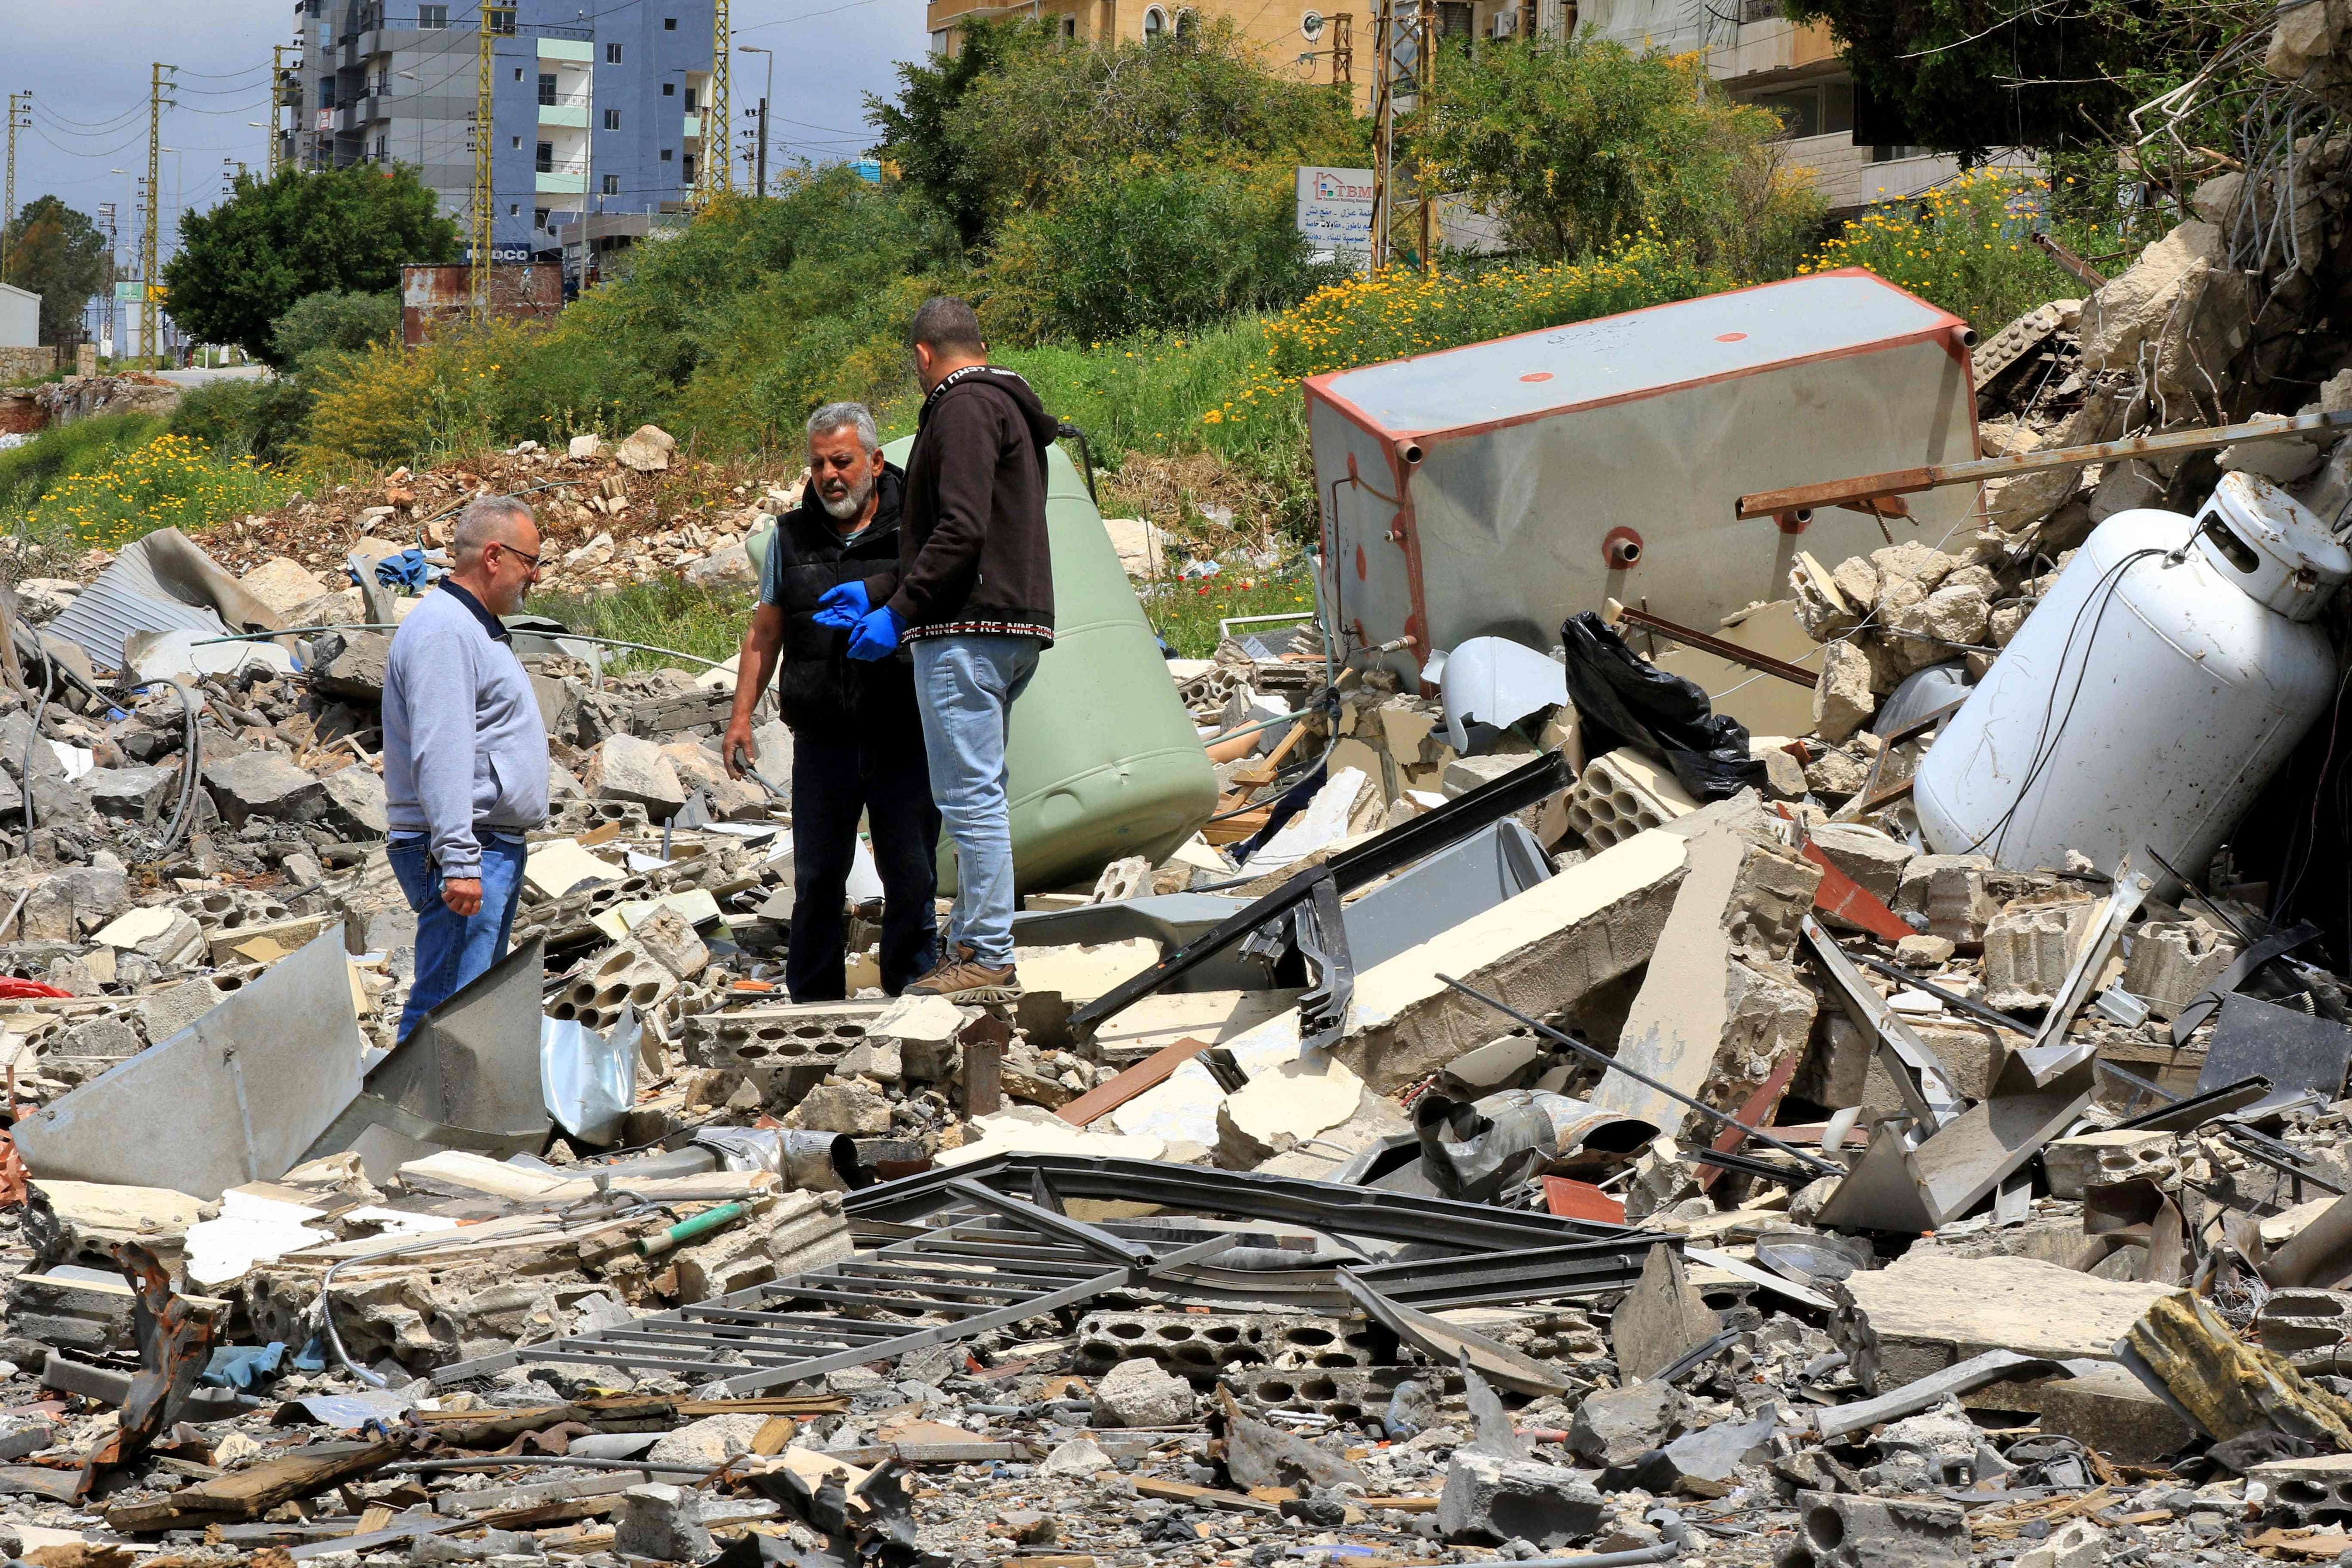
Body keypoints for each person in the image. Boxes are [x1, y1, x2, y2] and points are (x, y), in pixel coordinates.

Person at [816, 296, 1057, 1002]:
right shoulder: (1012, 405)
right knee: (984, 793)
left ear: (924, 355)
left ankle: (984, 951)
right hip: (1011, 625)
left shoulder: (961, 408)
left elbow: (958, 533)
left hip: (965, 633)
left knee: (970, 798)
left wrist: (900, 611)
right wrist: (877, 590)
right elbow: (970, 535)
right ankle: (980, 943)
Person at [723, 403, 940, 1000]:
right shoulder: (788, 539)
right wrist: (741, 718)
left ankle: (913, 992)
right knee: (817, 878)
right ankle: (811, 999)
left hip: (903, 730)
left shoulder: (918, 529)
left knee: (912, 873)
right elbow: (763, 633)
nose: (829, 475)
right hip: (822, 737)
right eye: (818, 464)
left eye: (841, 461)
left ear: (873, 461)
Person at [381, 494, 550, 1040]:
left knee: (465, 1009)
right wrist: (458, 857)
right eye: (531, 562)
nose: (535, 578)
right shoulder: (446, 631)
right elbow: (441, 748)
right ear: (495, 556)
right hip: (466, 844)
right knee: (446, 1011)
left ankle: (441, 1119)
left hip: (482, 842)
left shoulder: (470, 626)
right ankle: (407, 1123)